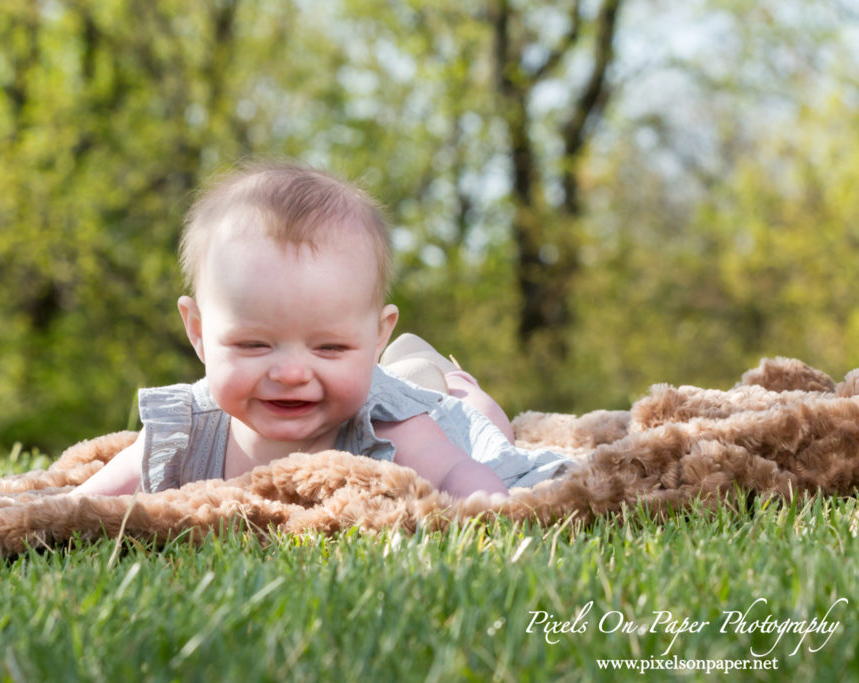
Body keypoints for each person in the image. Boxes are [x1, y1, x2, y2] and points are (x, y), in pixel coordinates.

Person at [74, 161, 570, 499]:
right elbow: (79, 506)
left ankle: (453, 383)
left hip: (433, 414)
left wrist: (485, 510)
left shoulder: (390, 429)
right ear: (199, 331)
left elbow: (461, 474)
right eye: (253, 345)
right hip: (373, 376)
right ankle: (407, 369)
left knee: (487, 429)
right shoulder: (187, 428)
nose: (291, 373)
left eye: (329, 347)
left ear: (376, 336)